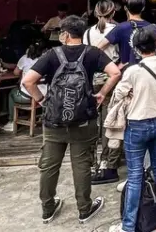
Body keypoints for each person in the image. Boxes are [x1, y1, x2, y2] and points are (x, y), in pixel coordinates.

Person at [22, 15, 122, 224]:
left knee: (49, 165)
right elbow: (115, 73)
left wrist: (42, 100)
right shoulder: (92, 53)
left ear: (65, 34)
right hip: (83, 119)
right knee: (82, 164)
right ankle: (84, 208)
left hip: (54, 119)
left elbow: (28, 80)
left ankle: (48, 208)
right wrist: (102, 93)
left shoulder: (51, 55)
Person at [108, 25, 156, 232]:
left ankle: (128, 225)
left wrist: (130, 93)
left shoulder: (133, 71)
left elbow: (118, 94)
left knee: (135, 175)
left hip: (137, 124)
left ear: (136, 48)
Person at [85, 0, 122, 185]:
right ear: (113, 12)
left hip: (92, 79)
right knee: (112, 122)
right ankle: (108, 162)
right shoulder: (118, 30)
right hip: (112, 77)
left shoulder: (87, 32)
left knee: (93, 121)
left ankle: (91, 164)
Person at [96, 0, 153, 69]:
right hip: (147, 70)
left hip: (126, 71)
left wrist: (111, 67)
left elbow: (98, 48)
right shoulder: (152, 27)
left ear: (125, 8)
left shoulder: (121, 27)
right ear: (143, 8)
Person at [4, 39, 48, 132]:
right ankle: (40, 117)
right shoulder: (47, 58)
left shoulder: (24, 58)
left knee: (12, 93)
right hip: (44, 95)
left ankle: (12, 122)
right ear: (45, 50)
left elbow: (16, 73)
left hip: (27, 96)